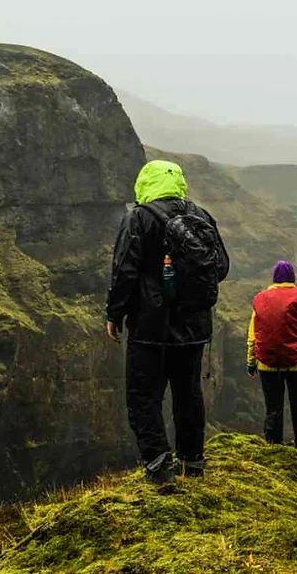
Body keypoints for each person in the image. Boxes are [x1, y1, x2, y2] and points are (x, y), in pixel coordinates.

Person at [106, 159, 229, 483]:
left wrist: (114, 314)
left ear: (145, 183)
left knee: (144, 396)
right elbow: (221, 268)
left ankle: (159, 467)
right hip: (194, 327)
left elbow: (125, 271)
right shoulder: (200, 216)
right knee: (188, 394)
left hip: (150, 328)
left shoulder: (138, 218)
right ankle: (193, 464)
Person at [246, 261, 297, 447]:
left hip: (267, 365)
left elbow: (253, 335)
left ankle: (274, 445)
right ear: (293, 278)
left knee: (273, 408)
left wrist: (251, 362)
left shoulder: (261, 299)